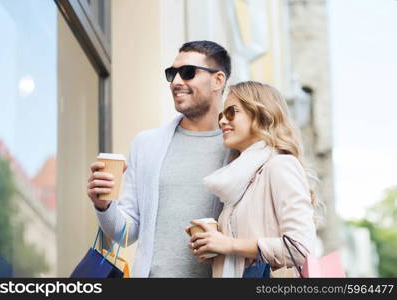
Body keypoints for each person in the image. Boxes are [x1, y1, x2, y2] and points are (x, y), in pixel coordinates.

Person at [87, 41, 232, 277]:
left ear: (218, 80)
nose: (176, 82)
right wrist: (103, 205)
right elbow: (126, 233)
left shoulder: (237, 150)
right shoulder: (147, 145)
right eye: (172, 73)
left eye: (187, 73)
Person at [188, 81, 317, 277]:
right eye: (221, 115)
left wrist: (229, 245)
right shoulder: (239, 180)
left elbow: (299, 248)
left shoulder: (280, 165)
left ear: (261, 114)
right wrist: (215, 248)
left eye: (232, 112)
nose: (222, 121)